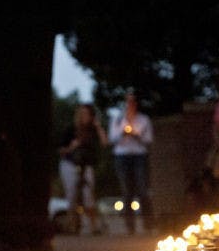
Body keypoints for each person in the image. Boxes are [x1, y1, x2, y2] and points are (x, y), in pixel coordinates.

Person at [0, 0, 70, 251]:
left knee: (3, 152)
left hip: (2, 72)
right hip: (37, 72)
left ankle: (10, 232)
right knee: (35, 151)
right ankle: (36, 230)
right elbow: (63, 16)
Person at [108, 91, 154, 235]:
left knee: (142, 189)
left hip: (139, 155)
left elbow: (148, 140)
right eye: (127, 101)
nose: (130, 104)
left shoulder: (144, 120)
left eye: (132, 101)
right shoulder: (117, 119)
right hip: (122, 157)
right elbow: (112, 138)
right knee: (126, 192)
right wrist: (123, 133)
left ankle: (148, 224)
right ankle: (130, 227)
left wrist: (136, 135)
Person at [58, 103, 107, 235]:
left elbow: (104, 143)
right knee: (72, 195)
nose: (84, 116)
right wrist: (72, 147)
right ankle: (72, 226)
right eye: (82, 113)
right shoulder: (71, 130)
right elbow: (61, 150)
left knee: (88, 196)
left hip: (86, 165)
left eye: (87, 114)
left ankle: (93, 226)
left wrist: (98, 127)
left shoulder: (92, 131)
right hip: (70, 164)